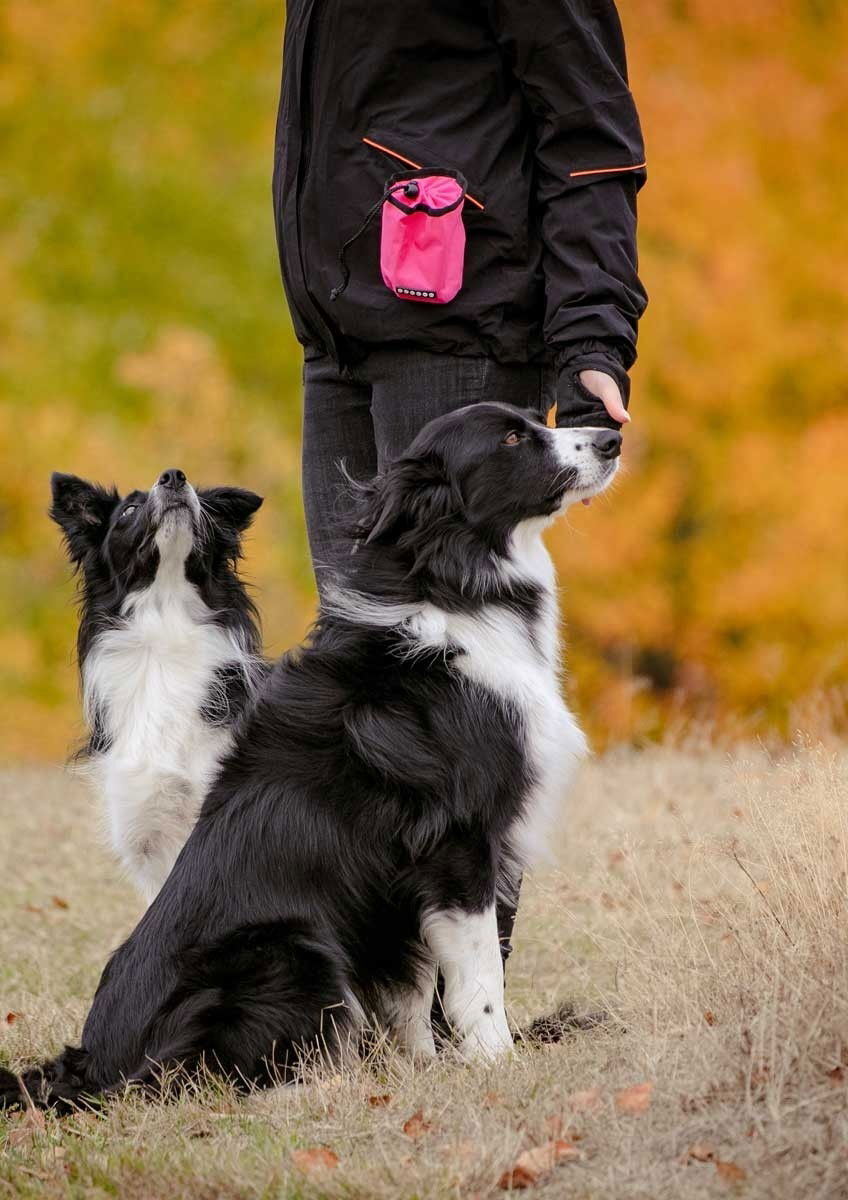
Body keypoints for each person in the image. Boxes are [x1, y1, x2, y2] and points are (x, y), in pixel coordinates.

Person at [272, 0, 647, 967]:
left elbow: (592, 139)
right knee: (365, 683)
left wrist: (592, 340)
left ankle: (463, 1008)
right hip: (340, 336)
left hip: (462, 332)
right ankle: (375, 991)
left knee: (468, 702)